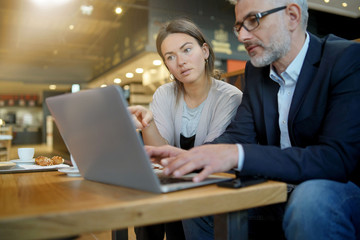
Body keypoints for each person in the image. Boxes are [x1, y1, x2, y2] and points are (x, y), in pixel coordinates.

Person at [145, 0, 360, 239]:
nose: (243, 36)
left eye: (253, 21)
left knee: (311, 201)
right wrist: (193, 157)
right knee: (199, 201)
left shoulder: (345, 59)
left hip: (336, 189)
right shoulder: (256, 73)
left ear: (292, 16)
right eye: (239, 26)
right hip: (276, 189)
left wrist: (237, 154)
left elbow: (336, 159)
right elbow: (238, 135)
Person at [129, 18, 242, 240]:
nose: (180, 61)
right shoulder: (164, 94)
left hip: (211, 182)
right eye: (170, 57)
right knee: (144, 199)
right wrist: (147, 124)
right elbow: (158, 153)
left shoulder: (230, 97)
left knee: (175, 207)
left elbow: (207, 156)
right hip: (177, 180)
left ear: (205, 51)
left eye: (187, 50)